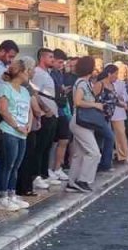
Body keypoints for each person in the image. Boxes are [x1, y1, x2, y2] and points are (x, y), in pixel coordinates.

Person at [0, 59, 34, 213]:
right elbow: (3, 110)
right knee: (8, 164)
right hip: (9, 131)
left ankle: (12, 193)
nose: (30, 74)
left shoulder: (24, 91)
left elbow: (29, 110)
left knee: (16, 165)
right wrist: (17, 126)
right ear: (20, 72)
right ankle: (3, 197)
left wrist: (28, 125)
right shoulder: (5, 88)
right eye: (28, 71)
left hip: (23, 133)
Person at [65, 56, 103, 194]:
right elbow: (77, 102)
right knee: (94, 153)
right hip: (81, 121)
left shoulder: (84, 82)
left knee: (79, 154)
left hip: (81, 121)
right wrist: (96, 105)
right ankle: (83, 180)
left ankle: (72, 182)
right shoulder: (82, 83)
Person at [27, 48, 63, 188]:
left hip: (52, 112)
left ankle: (44, 173)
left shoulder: (47, 74)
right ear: (42, 58)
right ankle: (36, 175)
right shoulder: (38, 73)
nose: (52, 60)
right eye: (50, 57)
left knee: (47, 145)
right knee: (40, 146)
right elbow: (35, 93)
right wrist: (43, 110)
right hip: (45, 113)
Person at [51, 48, 75, 177]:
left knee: (64, 140)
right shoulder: (51, 74)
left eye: (63, 63)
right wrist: (61, 91)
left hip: (63, 109)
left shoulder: (59, 74)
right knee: (58, 141)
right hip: (56, 110)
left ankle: (57, 167)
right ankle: (54, 168)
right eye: (59, 62)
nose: (61, 66)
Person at [111, 62, 128, 164]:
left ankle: (124, 155)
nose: (121, 74)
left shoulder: (121, 83)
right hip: (107, 111)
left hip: (118, 112)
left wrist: (119, 98)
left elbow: (125, 97)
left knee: (121, 134)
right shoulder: (105, 82)